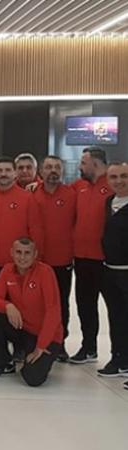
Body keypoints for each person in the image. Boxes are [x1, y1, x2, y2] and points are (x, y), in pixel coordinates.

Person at [0, 238, 62, 386]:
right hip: (22, 328)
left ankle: (35, 360)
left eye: (27, 253)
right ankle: (3, 363)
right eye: (18, 252)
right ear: (11, 252)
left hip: (45, 337)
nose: (22, 257)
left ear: (35, 254)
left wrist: (41, 346)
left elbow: (53, 312)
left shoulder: (45, 272)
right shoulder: (7, 270)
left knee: (33, 379)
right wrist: (8, 306)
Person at [0, 156, 44, 293]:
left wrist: (35, 257)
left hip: (18, 263)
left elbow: (35, 230)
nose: (3, 174)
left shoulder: (27, 198)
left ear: (15, 173)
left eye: (8, 170)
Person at [70, 147, 112, 364]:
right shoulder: (79, 187)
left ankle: (120, 354)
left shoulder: (113, 186)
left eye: (83, 163)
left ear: (95, 164)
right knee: (85, 305)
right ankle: (88, 348)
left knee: (115, 308)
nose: (80, 167)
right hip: (82, 258)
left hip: (106, 260)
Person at [32, 155, 76, 361]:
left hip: (62, 260)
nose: (53, 171)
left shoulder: (71, 195)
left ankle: (60, 343)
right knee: (35, 303)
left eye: (57, 167)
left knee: (60, 304)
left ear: (62, 171)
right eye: (49, 167)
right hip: (36, 261)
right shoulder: (32, 194)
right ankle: (34, 341)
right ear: (41, 171)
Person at [99, 162, 128, 380]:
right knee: (116, 317)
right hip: (110, 271)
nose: (119, 181)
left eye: (124, 176)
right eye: (114, 177)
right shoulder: (109, 202)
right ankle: (119, 359)